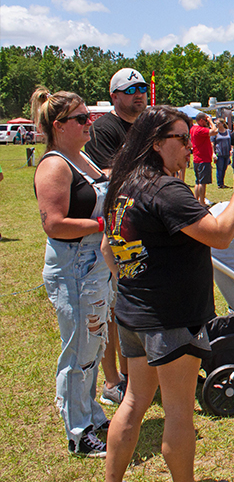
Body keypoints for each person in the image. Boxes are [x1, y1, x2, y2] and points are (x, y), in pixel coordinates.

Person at [102, 106, 234, 482]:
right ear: (156, 143)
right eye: (182, 139)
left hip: (133, 314)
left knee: (133, 402)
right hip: (171, 317)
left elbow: (110, 251)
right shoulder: (164, 189)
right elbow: (222, 233)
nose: (191, 149)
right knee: (178, 412)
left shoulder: (123, 185)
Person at [32, 87, 113, 457]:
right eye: (82, 118)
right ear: (59, 125)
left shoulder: (82, 159)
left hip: (95, 266)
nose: (89, 124)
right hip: (73, 268)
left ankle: (92, 415)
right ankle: (78, 432)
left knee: (92, 346)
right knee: (77, 351)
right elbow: (55, 224)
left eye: (89, 117)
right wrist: (102, 224)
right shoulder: (54, 164)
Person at [84, 67, 147, 407]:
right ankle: (112, 381)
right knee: (110, 306)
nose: (139, 93)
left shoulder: (143, 126)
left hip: (138, 225)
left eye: (141, 88)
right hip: (111, 227)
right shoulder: (105, 129)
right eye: (130, 89)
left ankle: (134, 374)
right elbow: (108, 176)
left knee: (130, 302)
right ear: (115, 96)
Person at [190, 113, 213, 203]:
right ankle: (202, 202)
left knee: (198, 182)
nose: (207, 122)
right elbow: (214, 131)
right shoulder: (200, 130)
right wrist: (211, 122)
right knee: (202, 183)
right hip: (203, 159)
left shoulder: (193, 128)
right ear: (201, 120)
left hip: (197, 158)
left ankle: (196, 200)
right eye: (205, 120)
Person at [213, 119, 231, 189]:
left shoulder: (228, 132)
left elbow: (230, 141)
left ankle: (222, 182)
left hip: (226, 153)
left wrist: (231, 150)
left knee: (224, 168)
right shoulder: (215, 132)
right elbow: (212, 143)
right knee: (219, 168)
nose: (217, 125)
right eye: (216, 123)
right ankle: (219, 184)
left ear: (223, 123)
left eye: (218, 123)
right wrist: (213, 153)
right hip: (219, 153)